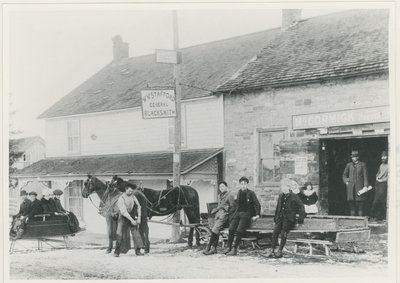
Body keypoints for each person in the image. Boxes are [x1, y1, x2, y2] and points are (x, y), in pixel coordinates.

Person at [223, 177, 261, 256]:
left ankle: (234, 249)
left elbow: (257, 204)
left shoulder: (251, 193)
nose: (243, 186)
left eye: (245, 184)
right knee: (231, 228)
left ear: (247, 185)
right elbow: (236, 204)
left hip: (246, 213)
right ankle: (229, 247)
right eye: (242, 184)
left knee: (239, 230)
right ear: (240, 185)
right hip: (238, 213)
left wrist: (257, 215)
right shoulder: (239, 192)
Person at [268, 180, 306, 258]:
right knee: (275, 232)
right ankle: (272, 249)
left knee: (283, 233)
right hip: (280, 218)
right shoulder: (281, 196)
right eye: (282, 187)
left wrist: (300, 219)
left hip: (289, 219)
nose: (283, 188)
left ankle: (280, 250)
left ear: (289, 187)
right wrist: (276, 218)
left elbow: (302, 207)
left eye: (285, 187)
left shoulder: (294, 196)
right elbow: (278, 208)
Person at [203, 181, 236, 255]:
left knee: (214, 230)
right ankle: (214, 248)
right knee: (216, 230)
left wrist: (227, 213)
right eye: (220, 187)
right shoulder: (219, 196)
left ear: (226, 187)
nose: (221, 188)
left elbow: (233, 207)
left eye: (223, 186)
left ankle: (209, 247)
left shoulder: (229, 195)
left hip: (225, 216)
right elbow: (219, 205)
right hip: (218, 215)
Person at [114, 185, 145, 257]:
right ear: (126, 190)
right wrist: (132, 220)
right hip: (123, 216)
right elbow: (123, 211)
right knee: (119, 233)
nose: (131, 192)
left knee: (136, 233)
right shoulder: (121, 198)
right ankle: (117, 252)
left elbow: (139, 206)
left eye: (132, 191)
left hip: (131, 215)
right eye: (129, 191)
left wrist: (139, 218)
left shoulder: (133, 196)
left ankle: (138, 251)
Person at [342, 150, 369, 216]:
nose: (353, 158)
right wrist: (346, 181)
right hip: (350, 188)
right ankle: (352, 222)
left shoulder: (362, 165)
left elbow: (365, 176)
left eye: (354, 157)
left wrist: (365, 186)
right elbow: (344, 175)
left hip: (360, 187)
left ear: (358, 157)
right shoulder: (349, 165)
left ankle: (360, 221)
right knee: (352, 206)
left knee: (360, 206)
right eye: (352, 157)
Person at [371, 151, 388, 221]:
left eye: (385, 156)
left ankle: (381, 216)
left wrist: (383, 180)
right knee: (375, 201)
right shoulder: (381, 165)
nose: (383, 158)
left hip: (383, 184)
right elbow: (378, 173)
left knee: (382, 201)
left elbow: (390, 176)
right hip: (378, 184)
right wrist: (377, 177)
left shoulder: (389, 165)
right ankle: (374, 216)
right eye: (382, 156)